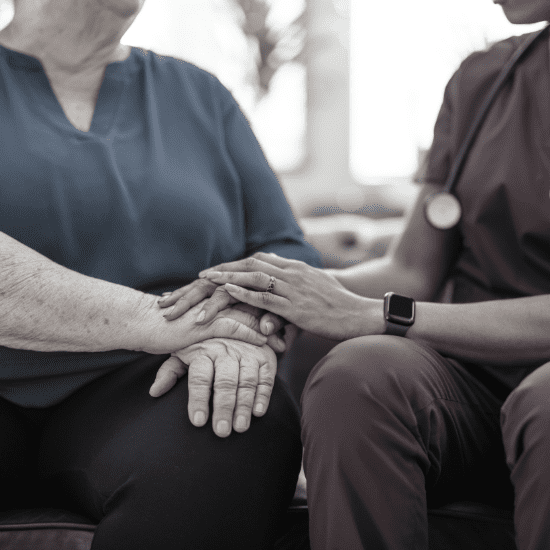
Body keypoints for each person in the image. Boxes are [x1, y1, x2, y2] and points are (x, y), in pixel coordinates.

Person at [162, 2, 550, 549]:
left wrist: (375, 314)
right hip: (474, 392)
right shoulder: (483, 82)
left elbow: (391, 304)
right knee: (358, 374)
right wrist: (273, 292)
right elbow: (413, 268)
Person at [0, 1, 322, 549]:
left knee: (238, 423)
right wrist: (170, 319)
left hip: (152, 381)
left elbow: (283, 249)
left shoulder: (198, 94)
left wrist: (239, 325)